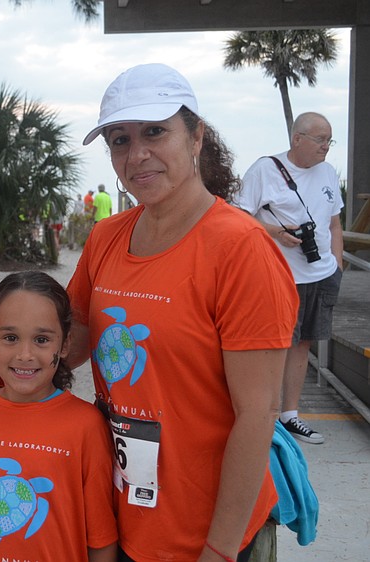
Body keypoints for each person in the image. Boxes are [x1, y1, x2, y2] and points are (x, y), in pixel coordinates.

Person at [68, 63, 298, 562]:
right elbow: (67, 345)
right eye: (119, 139)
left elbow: (256, 416)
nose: (137, 154)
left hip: (210, 535)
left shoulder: (241, 250)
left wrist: (218, 550)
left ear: (196, 137)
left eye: (155, 131)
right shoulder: (107, 238)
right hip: (126, 517)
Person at [0, 271, 117, 562]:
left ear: (64, 344)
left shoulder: (86, 425)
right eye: (10, 338)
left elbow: (101, 539)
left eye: (42, 339)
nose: (25, 354)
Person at [234, 112, 344, 445]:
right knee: (275, 346)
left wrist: (337, 266)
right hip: (281, 277)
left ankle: (290, 415)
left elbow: (335, 224)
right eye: (320, 139)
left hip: (322, 275)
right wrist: (277, 233)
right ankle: (263, 417)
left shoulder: (326, 172)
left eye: (329, 140)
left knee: (304, 343)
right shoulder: (265, 170)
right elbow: (238, 216)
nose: (326, 147)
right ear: (297, 139)